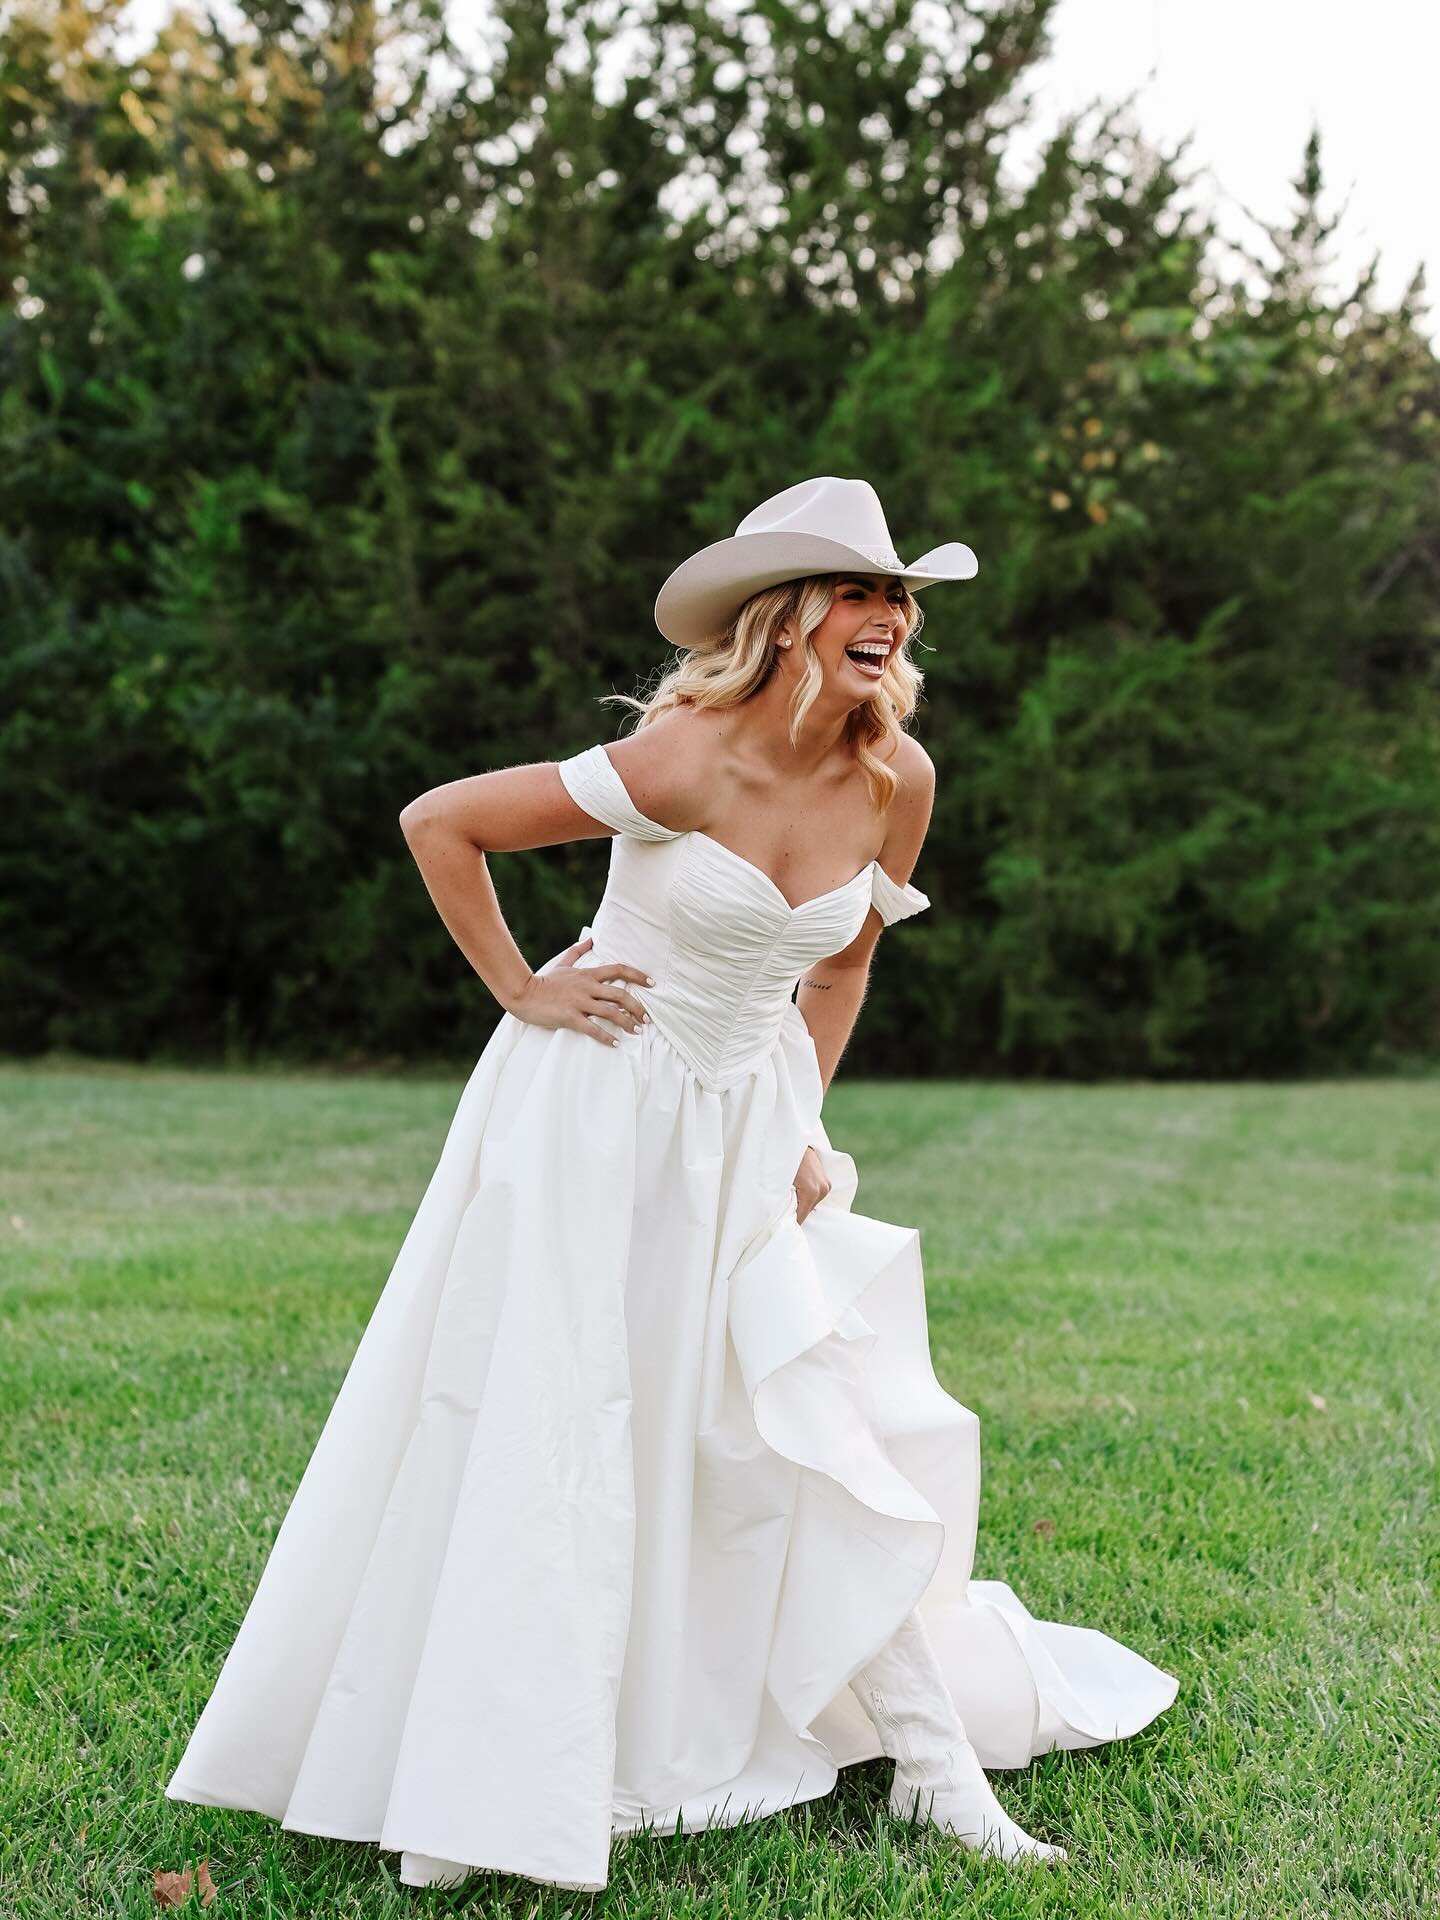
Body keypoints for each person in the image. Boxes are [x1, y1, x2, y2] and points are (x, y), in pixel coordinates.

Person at [164, 476, 1178, 1891]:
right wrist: (525, 987)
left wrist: (804, 1131)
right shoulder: (677, 757)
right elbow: (437, 822)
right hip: (595, 1112)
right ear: (785, 620)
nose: (886, 615)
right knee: (554, 1418)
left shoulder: (902, 781)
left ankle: (941, 1777)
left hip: (748, 1123)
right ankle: (479, 1786)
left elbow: (841, 963)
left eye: (900, 596)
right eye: (858, 590)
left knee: (799, 1422)